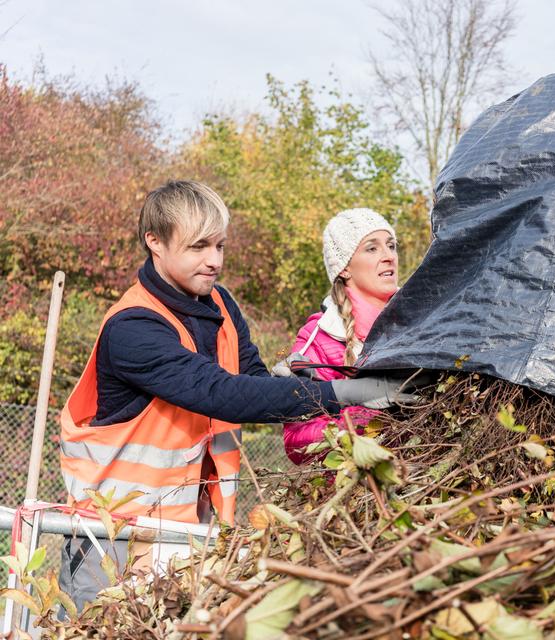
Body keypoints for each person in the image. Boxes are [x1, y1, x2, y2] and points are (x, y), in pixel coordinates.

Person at [57, 181, 409, 612]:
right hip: (113, 536)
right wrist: (351, 391)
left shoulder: (220, 304)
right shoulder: (133, 328)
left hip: (190, 531)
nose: (215, 261)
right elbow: (221, 393)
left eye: (220, 245)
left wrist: (290, 379)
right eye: (199, 246)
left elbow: (253, 380)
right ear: (155, 242)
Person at [277, 208, 399, 464]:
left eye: (391, 245)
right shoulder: (320, 337)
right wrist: (368, 415)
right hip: (361, 492)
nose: (389, 256)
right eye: (372, 248)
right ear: (344, 269)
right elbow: (297, 441)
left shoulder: (422, 321)